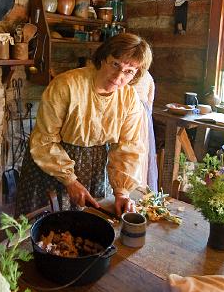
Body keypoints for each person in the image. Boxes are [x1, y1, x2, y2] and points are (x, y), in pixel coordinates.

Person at [16, 33, 152, 218]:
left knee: (86, 227)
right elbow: (45, 140)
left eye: (129, 71)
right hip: (52, 165)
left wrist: (122, 192)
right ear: (103, 58)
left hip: (94, 168)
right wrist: (70, 180)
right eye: (115, 64)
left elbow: (129, 147)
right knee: (45, 230)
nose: (119, 75)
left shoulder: (129, 99)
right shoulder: (66, 85)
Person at [133, 69, 158, 192]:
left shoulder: (145, 75)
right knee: (138, 157)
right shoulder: (148, 75)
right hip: (142, 118)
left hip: (135, 117)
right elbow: (150, 103)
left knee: (133, 156)